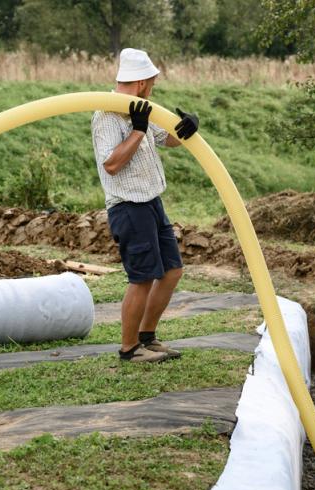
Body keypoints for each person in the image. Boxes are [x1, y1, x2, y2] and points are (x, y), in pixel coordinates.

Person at [91, 48, 199, 363]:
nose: (153, 87)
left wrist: (188, 127)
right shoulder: (106, 115)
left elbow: (168, 138)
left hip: (151, 201)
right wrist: (138, 131)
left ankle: (147, 337)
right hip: (128, 206)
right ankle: (129, 348)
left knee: (172, 271)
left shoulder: (142, 109)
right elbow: (112, 164)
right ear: (141, 83)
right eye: (151, 82)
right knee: (142, 278)